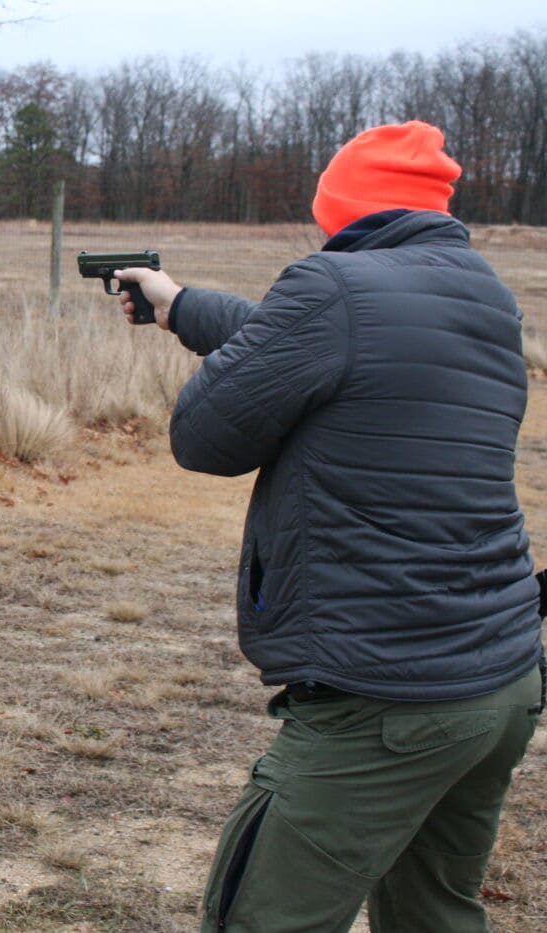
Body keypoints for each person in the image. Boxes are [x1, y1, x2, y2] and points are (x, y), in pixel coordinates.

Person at [114, 120, 545, 932]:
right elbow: (322, 345)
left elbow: (202, 438)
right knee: (436, 916)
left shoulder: (329, 289)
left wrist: (229, 337)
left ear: (342, 209)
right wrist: (180, 307)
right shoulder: (487, 295)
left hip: (385, 697)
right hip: (502, 678)